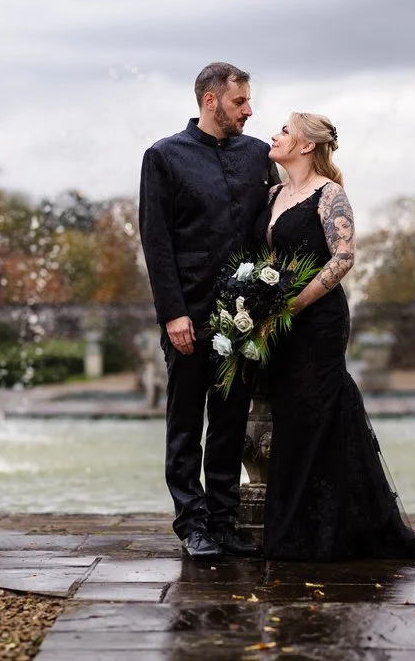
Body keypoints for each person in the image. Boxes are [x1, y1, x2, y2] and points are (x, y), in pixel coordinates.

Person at [255, 112, 415, 561]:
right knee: (291, 418)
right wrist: (260, 300)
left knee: (317, 415)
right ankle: (298, 528)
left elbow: (343, 258)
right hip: (281, 324)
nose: (275, 134)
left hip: (318, 320)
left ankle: (330, 532)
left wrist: (293, 304)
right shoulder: (273, 193)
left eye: (285, 130)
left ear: (307, 145)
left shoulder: (330, 195)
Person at [139, 62, 281, 560]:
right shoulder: (163, 157)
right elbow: (155, 242)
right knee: (185, 422)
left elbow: (269, 230)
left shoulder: (259, 154)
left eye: (248, 101)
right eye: (240, 102)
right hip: (189, 316)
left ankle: (223, 522)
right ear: (209, 100)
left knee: (230, 420)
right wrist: (172, 313)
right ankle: (192, 524)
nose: (249, 110)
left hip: (243, 315)